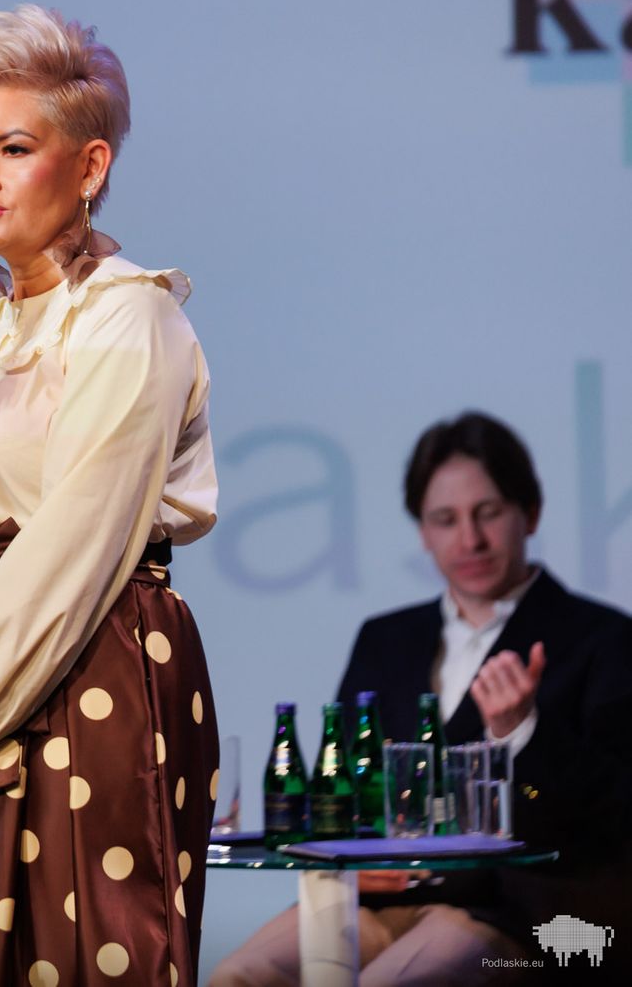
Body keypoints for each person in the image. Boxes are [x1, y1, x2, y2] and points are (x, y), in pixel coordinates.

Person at [0, 5, 220, 986]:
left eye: (14, 149)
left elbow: (76, 544)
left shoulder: (129, 316)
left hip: (94, 661)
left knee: (87, 949)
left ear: (90, 166)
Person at [209, 412, 632, 985]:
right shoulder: (385, 639)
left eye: (488, 513)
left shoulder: (601, 639)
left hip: (515, 911)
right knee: (237, 975)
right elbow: (345, 786)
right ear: (422, 532)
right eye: (445, 519)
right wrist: (353, 856)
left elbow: (614, 811)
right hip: (375, 899)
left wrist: (524, 732)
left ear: (530, 513)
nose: (470, 540)